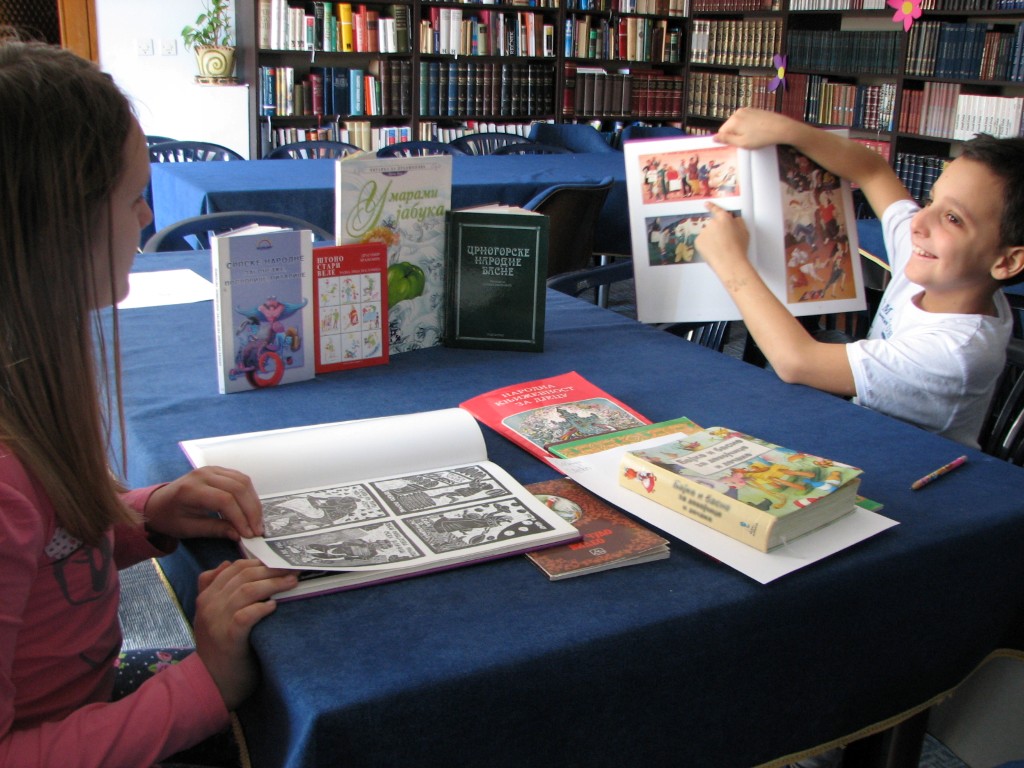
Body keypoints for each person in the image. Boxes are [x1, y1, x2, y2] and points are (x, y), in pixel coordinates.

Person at [0, 36, 298, 766]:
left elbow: (52, 546)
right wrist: (206, 685)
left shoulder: (29, 379)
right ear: (57, 227)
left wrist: (145, 514)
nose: (145, 219)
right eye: (133, 197)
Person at [697, 107, 1024, 448]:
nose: (918, 222)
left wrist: (730, 261)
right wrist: (787, 130)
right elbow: (872, 171)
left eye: (953, 218)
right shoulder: (946, 273)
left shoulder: (957, 352)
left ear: (1008, 261)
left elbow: (797, 361)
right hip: (861, 433)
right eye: (930, 201)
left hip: (908, 465)